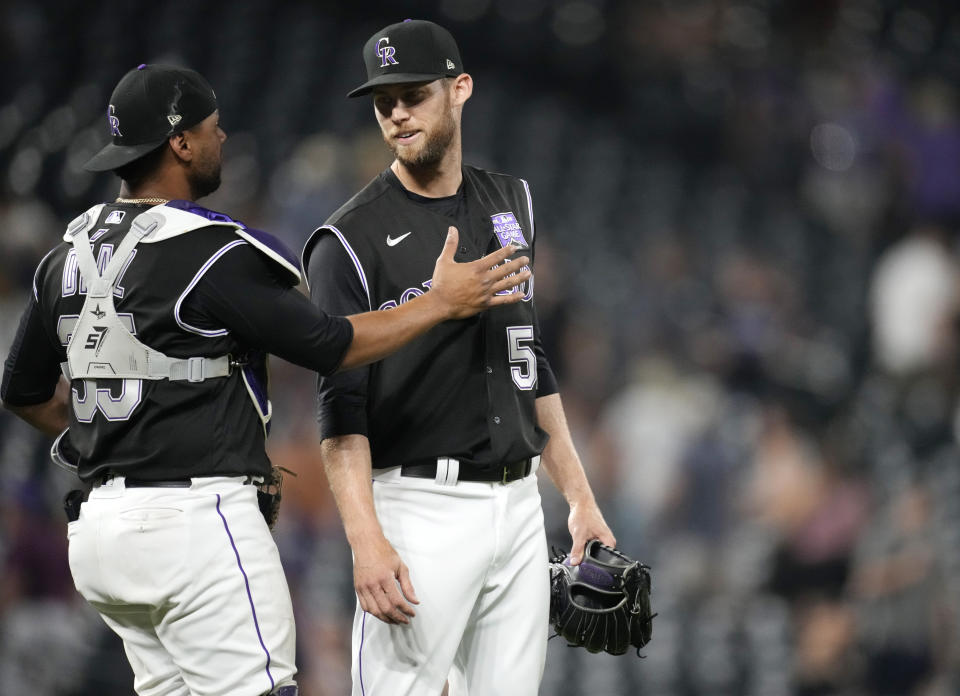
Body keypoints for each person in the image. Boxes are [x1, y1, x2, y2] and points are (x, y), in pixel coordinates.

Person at [0, 63, 530, 696]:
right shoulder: (211, 252)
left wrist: (105, 435)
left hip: (99, 538)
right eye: (213, 129)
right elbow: (332, 347)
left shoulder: (68, 254)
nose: (222, 140)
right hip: (194, 527)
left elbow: (22, 391)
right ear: (180, 143)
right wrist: (440, 302)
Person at [302, 19, 615, 695]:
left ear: (460, 88)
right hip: (418, 509)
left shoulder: (512, 201)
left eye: (412, 94)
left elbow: (529, 360)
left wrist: (580, 500)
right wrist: (365, 541)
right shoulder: (346, 241)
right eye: (384, 102)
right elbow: (339, 410)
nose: (397, 114)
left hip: (520, 507)